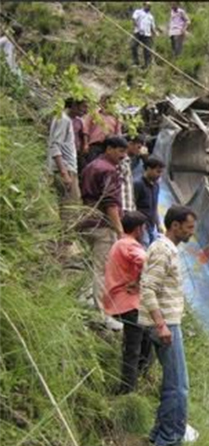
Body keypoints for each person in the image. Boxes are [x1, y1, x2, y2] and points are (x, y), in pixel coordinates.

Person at [139, 205, 197, 446]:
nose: (191, 233)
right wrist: (161, 325)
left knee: (173, 383)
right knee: (178, 385)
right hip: (165, 324)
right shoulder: (163, 250)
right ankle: (169, 441)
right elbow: (148, 288)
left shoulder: (165, 248)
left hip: (166, 322)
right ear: (175, 226)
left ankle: (159, 434)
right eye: (189, 227)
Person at [103, 211, 152, 394]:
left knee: (145, 339)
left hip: (117, 302)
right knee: (133, 348)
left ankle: (139, 378)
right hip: (130, 302)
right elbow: (147, 261)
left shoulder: (118, 244)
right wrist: (138, 281)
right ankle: (128, 390)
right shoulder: (130, 244)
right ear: (139, 229)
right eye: (144, 228)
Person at [80, 136, 128, 311]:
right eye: (120, 151)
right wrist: (120, 230)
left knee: (92, 264)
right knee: (103, 269)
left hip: (86, 221)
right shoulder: (109, 170)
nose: (123, 156)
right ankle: (103, 312)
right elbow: (111, 203)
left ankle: (85, 300)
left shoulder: (90, 166)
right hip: (102, 225)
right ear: (109, 149)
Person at [48, 97, 86, 226]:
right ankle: (64, 242)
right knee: (70, 210)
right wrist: (64, 173)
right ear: (74, 105)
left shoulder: (65, 119)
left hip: (67, 168)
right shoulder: (63, 120)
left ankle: (63, 241)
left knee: (68, 208)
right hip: (66, 169)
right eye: (83, 107)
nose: (85, 111)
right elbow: (55, 146)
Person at [83, 95, 122, 165]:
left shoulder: (116, 117)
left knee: (103, 165)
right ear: (101, 103)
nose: (106, 104)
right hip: (94, 145)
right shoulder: (94, 114)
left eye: (110, 103)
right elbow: (86, 129)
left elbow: (118, 134)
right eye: (104, 102)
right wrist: (85, 144)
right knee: (91, 164)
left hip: (108, 147)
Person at [134, 157, 165, 247]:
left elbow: (154, 207)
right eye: (157, 171)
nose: (159, 175)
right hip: (141, 226)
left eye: (161, 172)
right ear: (148, 169)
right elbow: (132, 206)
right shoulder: (138, 184)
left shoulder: (156, 186)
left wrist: (158, 224)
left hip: (151, 226)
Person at [131, 2, 157, 69]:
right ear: (144, 5)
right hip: (138, 32)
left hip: (147, 34)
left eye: (150, 6)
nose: (149, 7)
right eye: (148, 5)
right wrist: (137, 26)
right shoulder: (138, 12)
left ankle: (147, 65)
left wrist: (155, 33)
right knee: (133, 46)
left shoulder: (151, 16)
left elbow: (152, 27)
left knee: (147, 50)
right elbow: (134, 19)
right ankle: (136, 62)